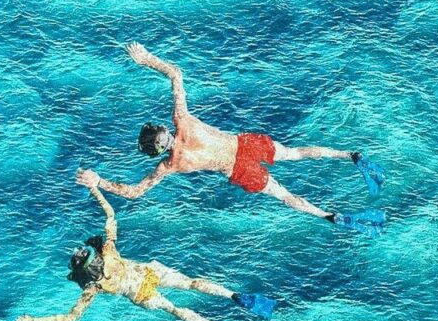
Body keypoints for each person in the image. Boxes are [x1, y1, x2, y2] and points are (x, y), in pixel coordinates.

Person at [77, 42, 387, 236]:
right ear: (164, 132)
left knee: (284, 196)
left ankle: (329, 216)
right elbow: (176, 74)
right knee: (295, 153)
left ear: (155, 151)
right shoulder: (181, 120)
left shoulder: (169, 166)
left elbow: (133, 192)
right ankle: (350, 156)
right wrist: (146, 59)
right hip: (244, 145)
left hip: (237, 170)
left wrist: (98, 181)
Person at [15, 184, 275, 321]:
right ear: (92, 257)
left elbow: (71, 318)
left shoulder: (93, 287)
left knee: (176, 309)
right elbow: (110, 214)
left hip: (141, 294)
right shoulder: (109, 252)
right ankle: (235, 296)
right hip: (149, 273)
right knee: (192, 283)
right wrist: (95, 188)